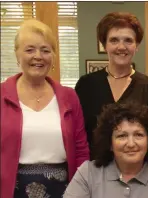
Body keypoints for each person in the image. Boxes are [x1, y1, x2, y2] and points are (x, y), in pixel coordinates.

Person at [0, 19, 89, 198]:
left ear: (53, 57)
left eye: (45, 50)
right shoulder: (2, 95)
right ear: (17, 55)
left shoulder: (69, 97)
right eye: (29, 49)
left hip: (64, 190)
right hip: (11, 190)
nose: (38, 56)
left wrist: (81, 190)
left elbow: (81, 151)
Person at [75, 12, 148, 158]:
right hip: (95, 172)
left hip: (139, 173)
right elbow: (78, 137)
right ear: (104, 45)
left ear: (137, 46)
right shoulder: (86, 86)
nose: (121, 47)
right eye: (114, 40)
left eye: (128, 41)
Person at [63, 103, 148, 198]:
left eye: (138, 135)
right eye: (122, 136)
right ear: (110, 144)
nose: (131, 144)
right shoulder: (88, 173)